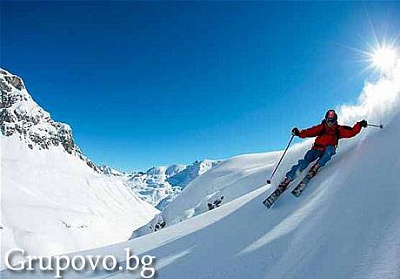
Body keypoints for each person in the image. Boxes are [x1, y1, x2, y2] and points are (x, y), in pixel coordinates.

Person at [278, 109, 368, 191]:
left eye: (332, 121)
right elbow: (309, 131)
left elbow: (351, 132)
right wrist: (298, 132)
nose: (330, 123)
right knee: (304, 162)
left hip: (328, 149)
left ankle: (317, 166)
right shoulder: (321, 127)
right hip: (316, 149)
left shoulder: (338, 130)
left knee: (329, 151)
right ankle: (288, 178)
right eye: (328, 120)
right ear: (325, 119)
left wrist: (359, 125)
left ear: (335, 120)